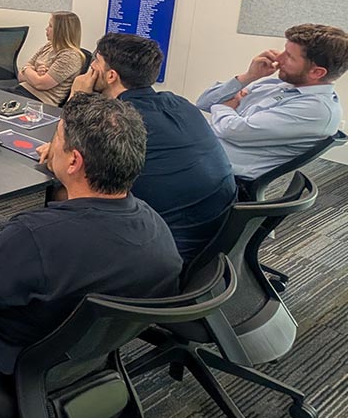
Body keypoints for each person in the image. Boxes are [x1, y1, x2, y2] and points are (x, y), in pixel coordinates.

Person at [0, 93, 182, 375]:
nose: (51, 145)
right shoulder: (159, 232)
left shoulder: (36, 232)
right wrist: (6, 249)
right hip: (82, 353)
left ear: (74, 161)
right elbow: (72, 264)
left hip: (12, 352)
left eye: (57, 138)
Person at [43, 33, 235, 262]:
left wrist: (77, 96)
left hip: (162, 251)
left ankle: (56, 255)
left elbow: (57, 163)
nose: (90, 68)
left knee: (65, 189)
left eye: (96, 62)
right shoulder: (180, 103)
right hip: (215, 242)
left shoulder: (117, 122)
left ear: (111, 75)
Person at [195, 23, 348, 180]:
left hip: (214, 172)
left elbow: (233, 130)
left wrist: (223, 107)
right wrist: (249, 77)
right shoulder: (278, 85)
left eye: (289, 56)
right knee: (172, 107)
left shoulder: (316, 110)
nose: (278, 59)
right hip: (199, 151)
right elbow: (204, 103)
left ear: (316, 72)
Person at [15, 11, 86, 106]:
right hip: (22, 91)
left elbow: (40, 84)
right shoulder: (49, 46)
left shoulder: (70, 56)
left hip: (38, 101)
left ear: (61, 31)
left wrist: (28, 70)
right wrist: (34, 72)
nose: (46, 29)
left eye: (50, 26)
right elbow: (20, 76)